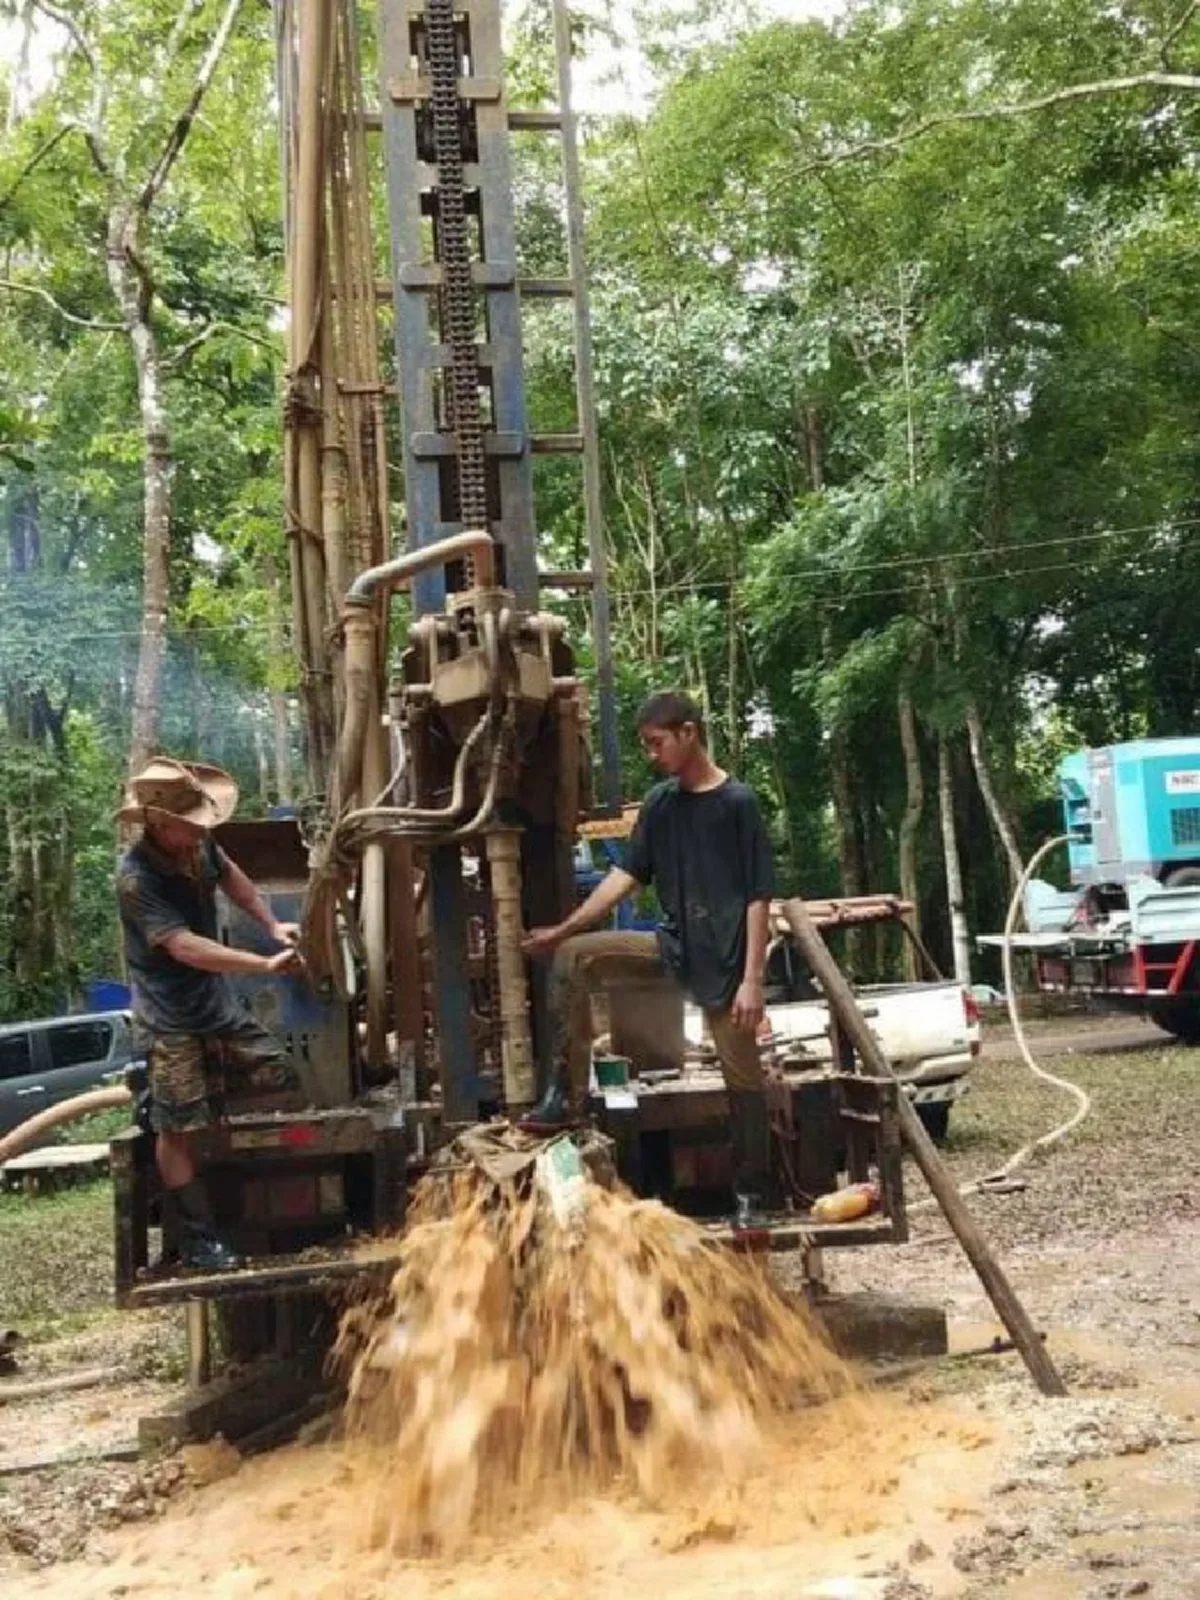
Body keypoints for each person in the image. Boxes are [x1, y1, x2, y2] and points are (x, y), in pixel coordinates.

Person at [521, 690, 776, 1222]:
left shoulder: (739, 804)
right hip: (672, 946)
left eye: (657, 742)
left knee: (744, 1081)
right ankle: (562, 1100)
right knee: (574, 957)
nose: (652, 754)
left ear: (688, 732)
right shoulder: (661, 804)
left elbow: (758, 896)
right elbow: (625, 877)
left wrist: (752, 979)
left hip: (727, 968)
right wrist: (564, 929)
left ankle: (752, 1198)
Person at [115, 757, 304, 1272]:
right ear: (156, 822)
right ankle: (199, 1240)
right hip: (168, 1013)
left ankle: (196, 1097)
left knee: (276, 1070)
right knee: (177, 1128)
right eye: (189, 824)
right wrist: (263, 963)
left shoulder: (199, 847)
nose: (199, 832)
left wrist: (272, 924)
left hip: (212, 1001)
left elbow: (233, 877)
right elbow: (187, 949)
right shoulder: (136, 879)